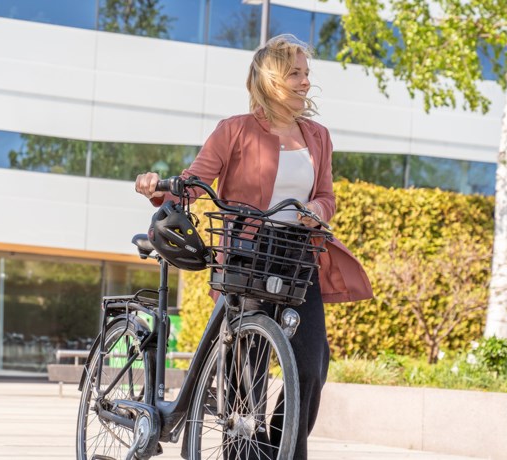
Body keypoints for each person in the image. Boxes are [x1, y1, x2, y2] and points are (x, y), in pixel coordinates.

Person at [134, 34, 373, 459]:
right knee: (247, 375)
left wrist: (314, 208)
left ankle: (274, 451)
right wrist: (159, 191)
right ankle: (242, 453)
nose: (305, 82)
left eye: (306, 74)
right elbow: (196, 180)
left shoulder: (318, 135)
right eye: (295, 74)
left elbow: (327, 197)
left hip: (298, 255)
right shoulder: (236, 130)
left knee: (311, 367)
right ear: (272, 79)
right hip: (248, 254)